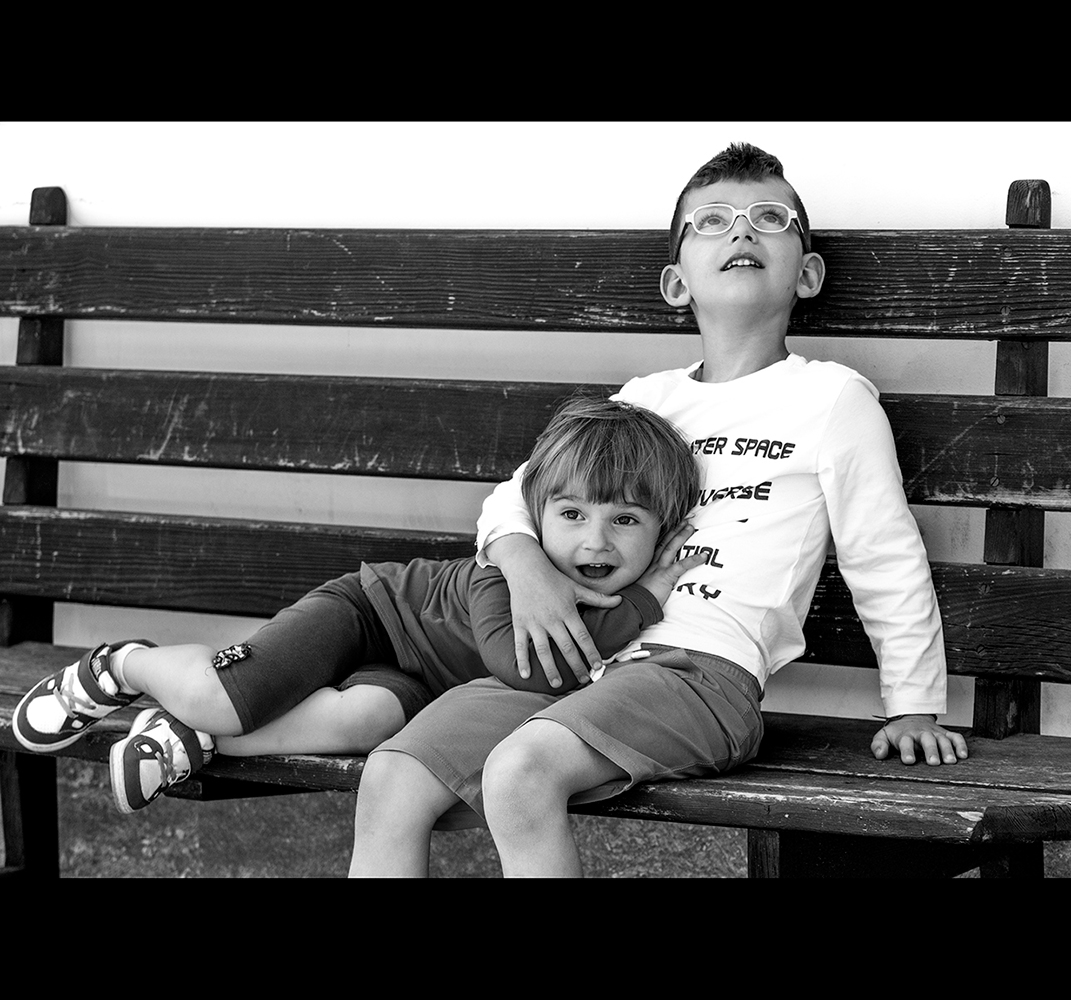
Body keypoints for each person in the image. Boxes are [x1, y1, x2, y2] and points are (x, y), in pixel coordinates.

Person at [348, 142, 970, 878]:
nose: (742, 229)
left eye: (770, 218)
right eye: (711, 221)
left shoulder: (830, 399)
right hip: (584, 658)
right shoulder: (646, 399)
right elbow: (515, 499)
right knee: (391, 777)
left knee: (519, 772)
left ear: (806, 273)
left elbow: (882, 552)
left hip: (701, 675)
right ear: (677, 283)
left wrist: (912, 704)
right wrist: (524, 566)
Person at [12, 397, 703, 815]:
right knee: (222, 696)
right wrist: (646, 598)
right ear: (536, 514)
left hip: (419, 683)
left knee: (365, 721)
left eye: (625, 520)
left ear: (663, 528)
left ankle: (190, 737)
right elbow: (521, 667)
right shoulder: (507, 573)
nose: (594, 541)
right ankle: (120, 666)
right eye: (573, 514)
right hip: (369, 615)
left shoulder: (599, 584)